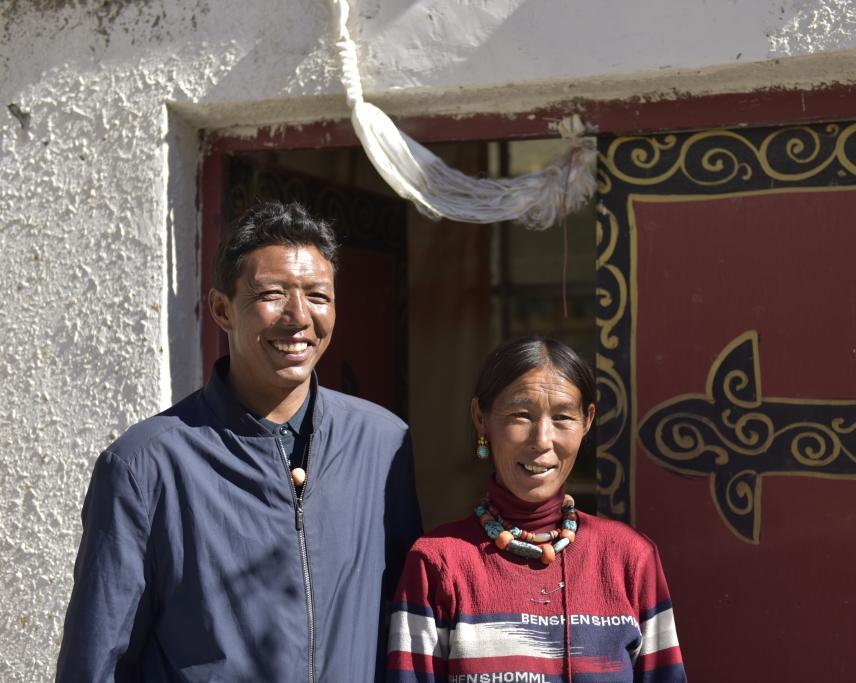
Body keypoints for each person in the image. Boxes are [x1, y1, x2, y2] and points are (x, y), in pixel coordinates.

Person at [57, 200, 421, 682]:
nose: (299, 317)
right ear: (221, 309)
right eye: (272, 294)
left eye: (318, 296)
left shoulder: (382, 442)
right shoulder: (145, 466)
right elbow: (95, 662)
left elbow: (407, 630)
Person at [387, 336, 686, 682]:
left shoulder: (630, 559)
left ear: (587, 421)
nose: (542, 440)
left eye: (562, 417)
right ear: (481, 418)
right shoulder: (437, 564)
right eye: (520, 415)